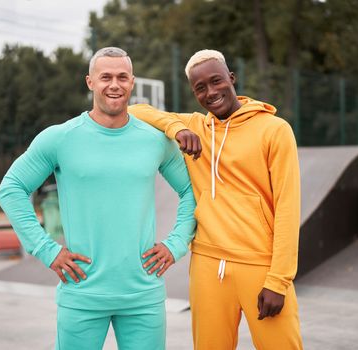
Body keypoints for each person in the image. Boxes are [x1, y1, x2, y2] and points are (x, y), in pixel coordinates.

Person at [0, 47, 196, 350]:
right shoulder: (60, 138)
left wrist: (176, 244)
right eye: (105, 77)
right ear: (90, 81)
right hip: (82, 293)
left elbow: (190, 192)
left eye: (122, 77)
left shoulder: (155, 141)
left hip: (143, 295)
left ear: (132, 83)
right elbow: (11, 189)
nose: (114, 85)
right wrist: (46, 249)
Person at [129, 49, 302, 349]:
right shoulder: (196, 126)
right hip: (208, 266)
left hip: (259, 265)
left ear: (231, 78)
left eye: (216, 81)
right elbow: (135, 111)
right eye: (200, 87)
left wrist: (278, 280)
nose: (211, 92)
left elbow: (288, 208)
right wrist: (176, 127)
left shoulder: (274, 130)